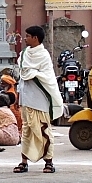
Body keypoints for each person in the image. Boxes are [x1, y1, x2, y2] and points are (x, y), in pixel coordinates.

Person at [14, 25, 64, 174]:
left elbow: (46, 77)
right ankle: (24, 162)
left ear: (35, 38)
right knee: (26, 131)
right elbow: (23, 77)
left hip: (40, 100)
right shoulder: (24, 54)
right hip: (26, 99)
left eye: (28, 36)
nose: (25, 38)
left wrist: (32, 73)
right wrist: (18, 95)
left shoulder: (43, 55)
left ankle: (49, 162)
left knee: (43, 130)